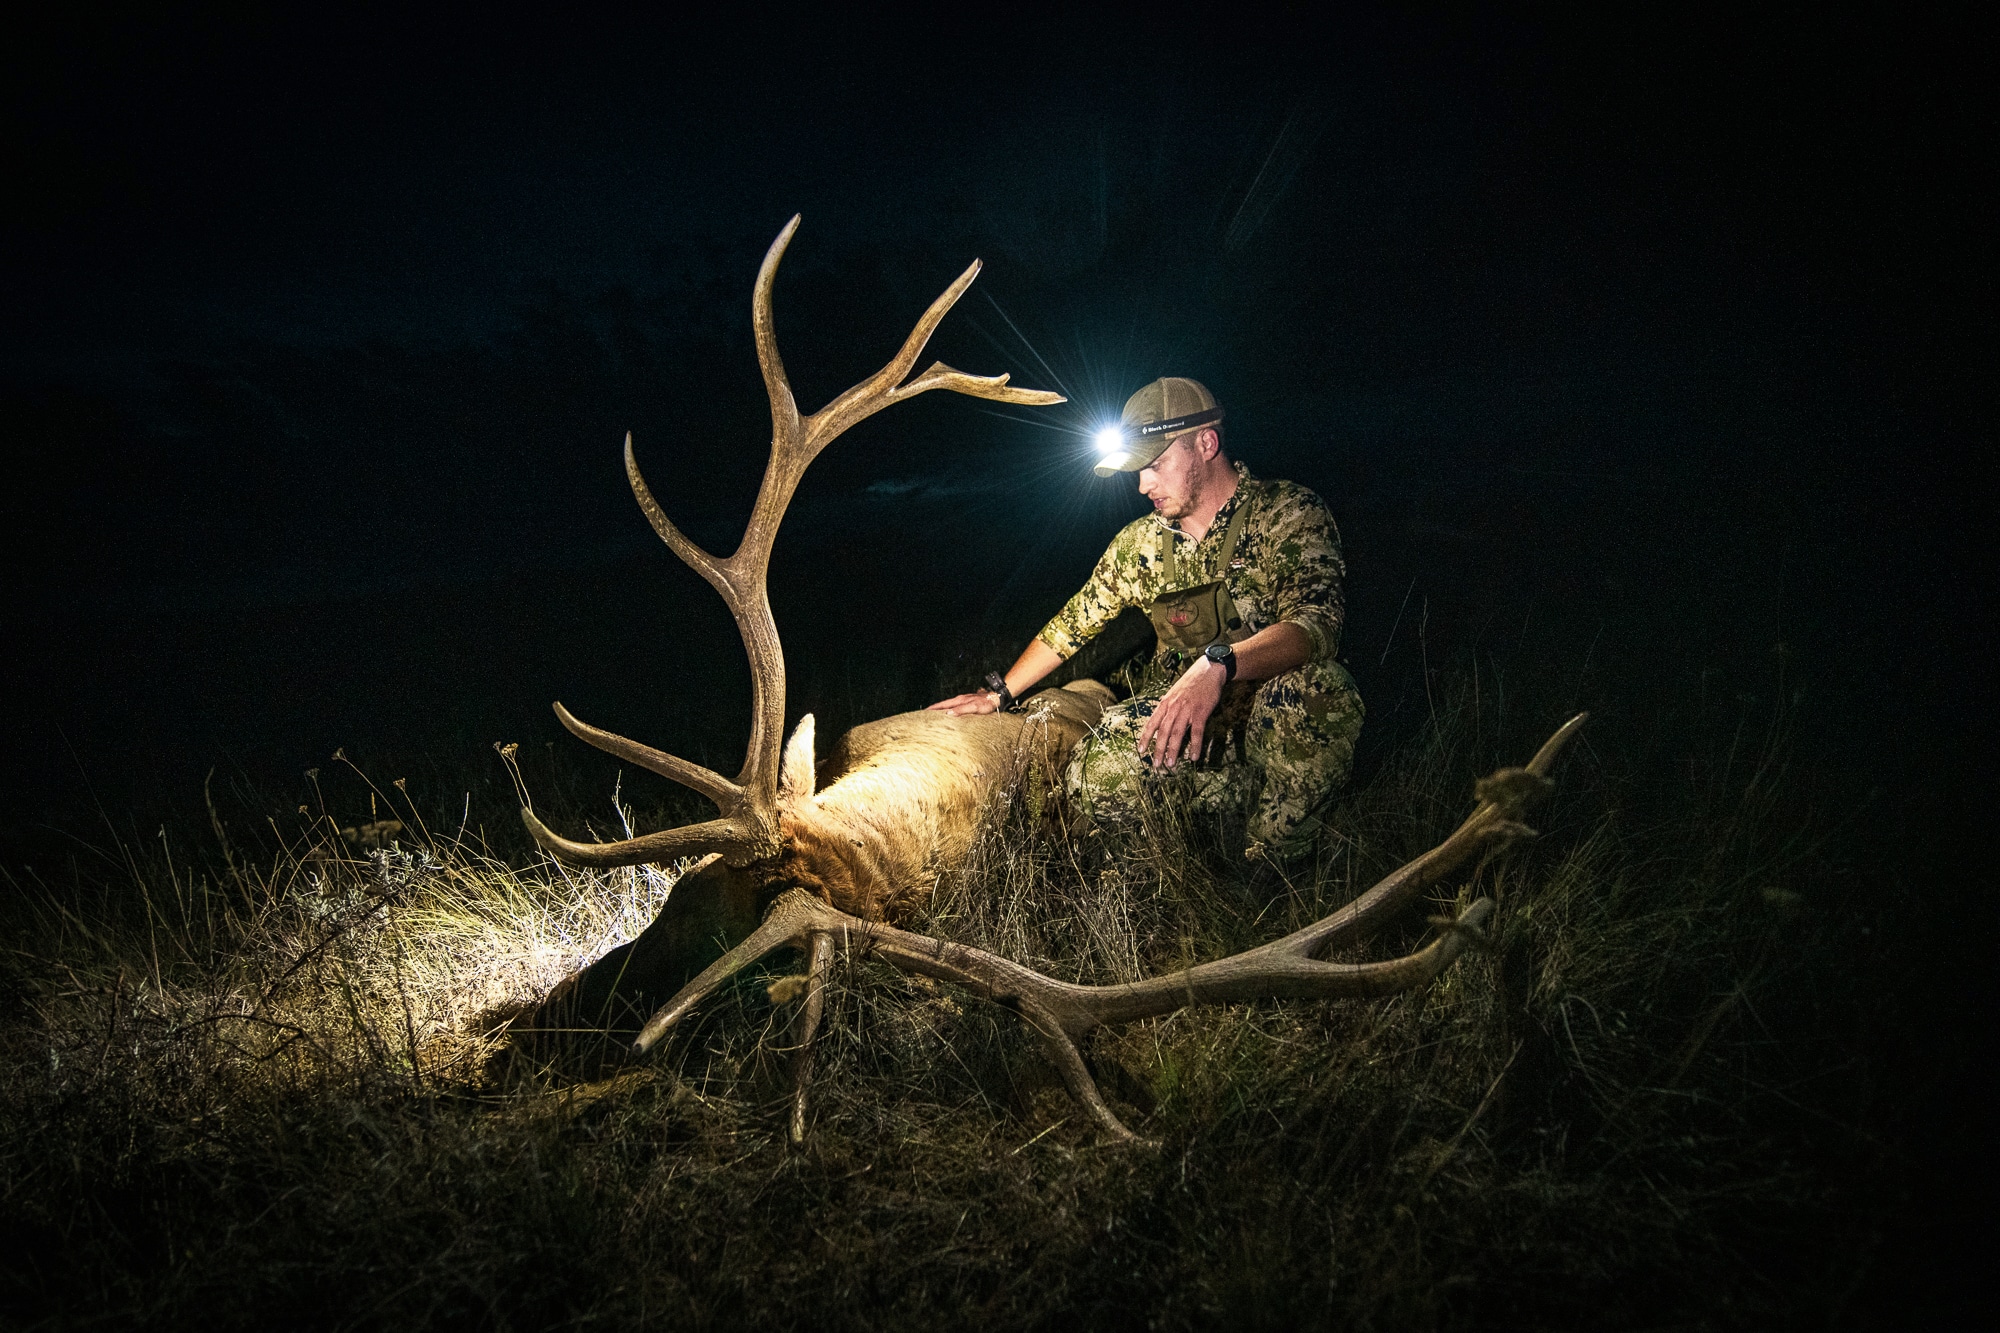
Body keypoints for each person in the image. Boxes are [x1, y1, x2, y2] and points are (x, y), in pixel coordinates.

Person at [930, 377, 1363, 860]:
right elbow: (1071, 626)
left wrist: (1217, 664)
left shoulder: (1287, 512)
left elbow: (1316, 625)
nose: (1142, 486)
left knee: (1322, 691)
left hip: (1272, 712)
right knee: (1093, 777)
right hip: (1179, 718)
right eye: (1137, 471)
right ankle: (1208, 825)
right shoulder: (1138, 544)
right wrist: (999, 694)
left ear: (1206, 443)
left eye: (1155, 466)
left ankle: (1276, 864)